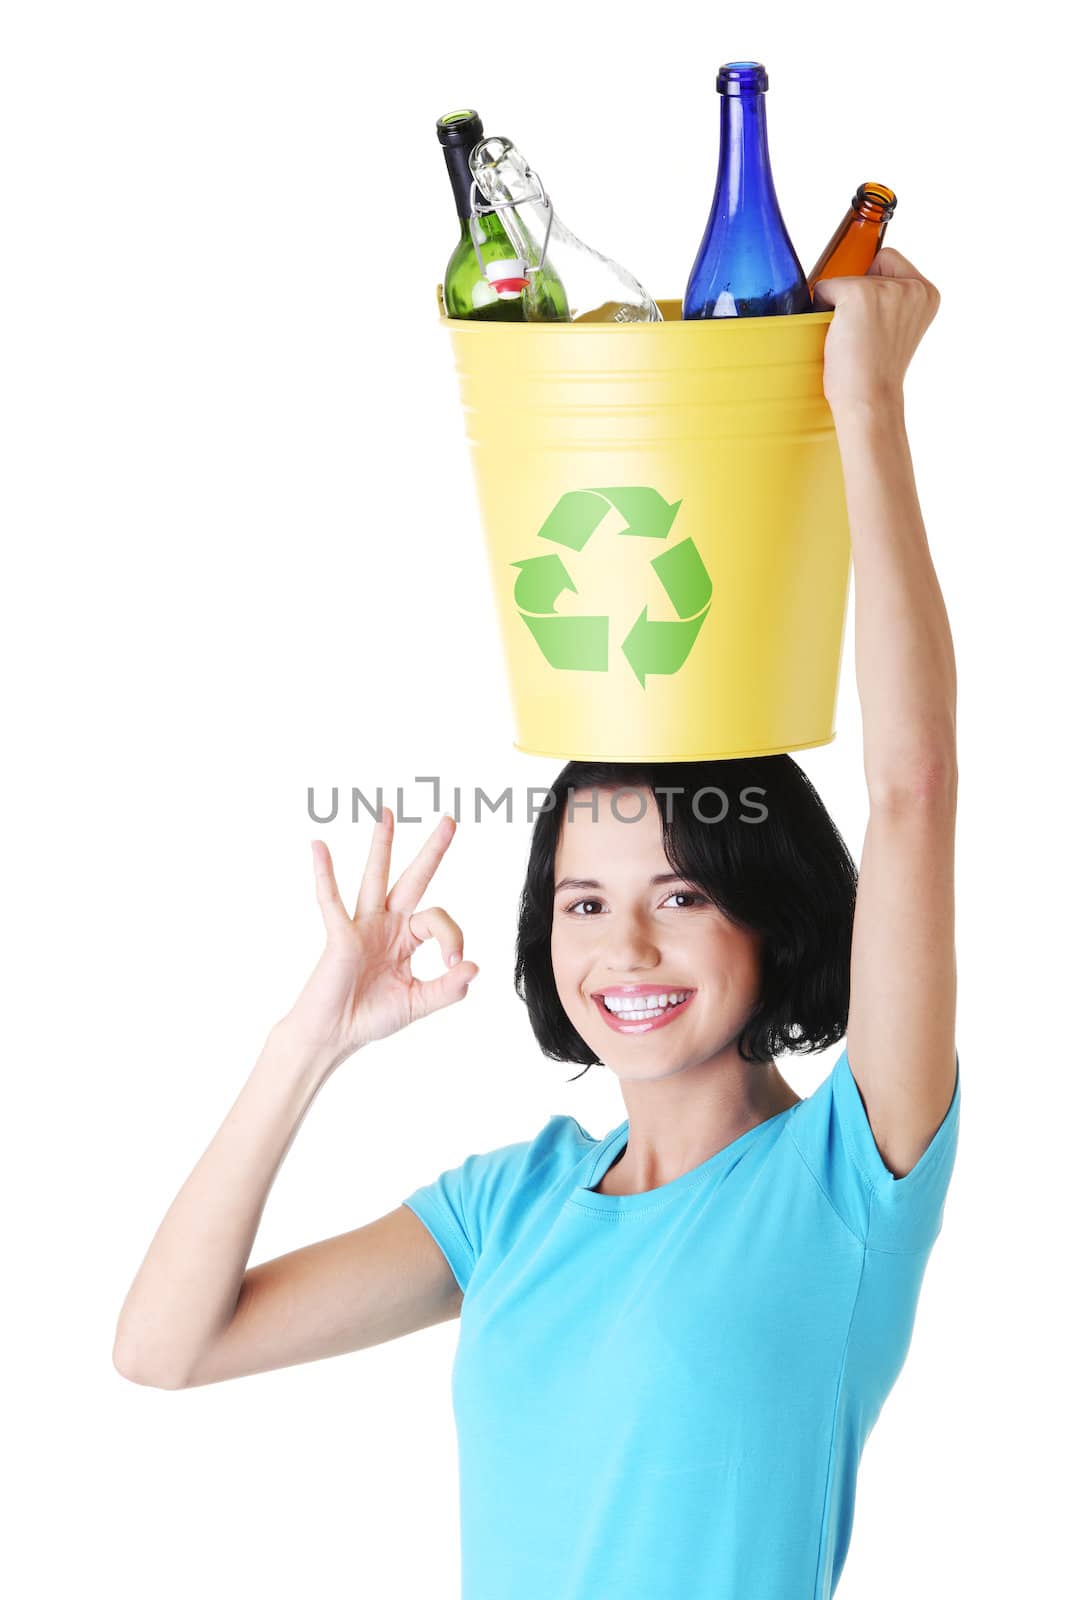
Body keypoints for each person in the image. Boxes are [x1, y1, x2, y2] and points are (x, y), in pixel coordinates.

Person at [113, 247, 959, 1600]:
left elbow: (913, 791)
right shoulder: (509, 1207)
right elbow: (166, 1347)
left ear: (770, 920)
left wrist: (866, 402)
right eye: (585, 901)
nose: (622, 951)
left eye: (681, 895)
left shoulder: (846, 1185)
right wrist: (307, 1040)